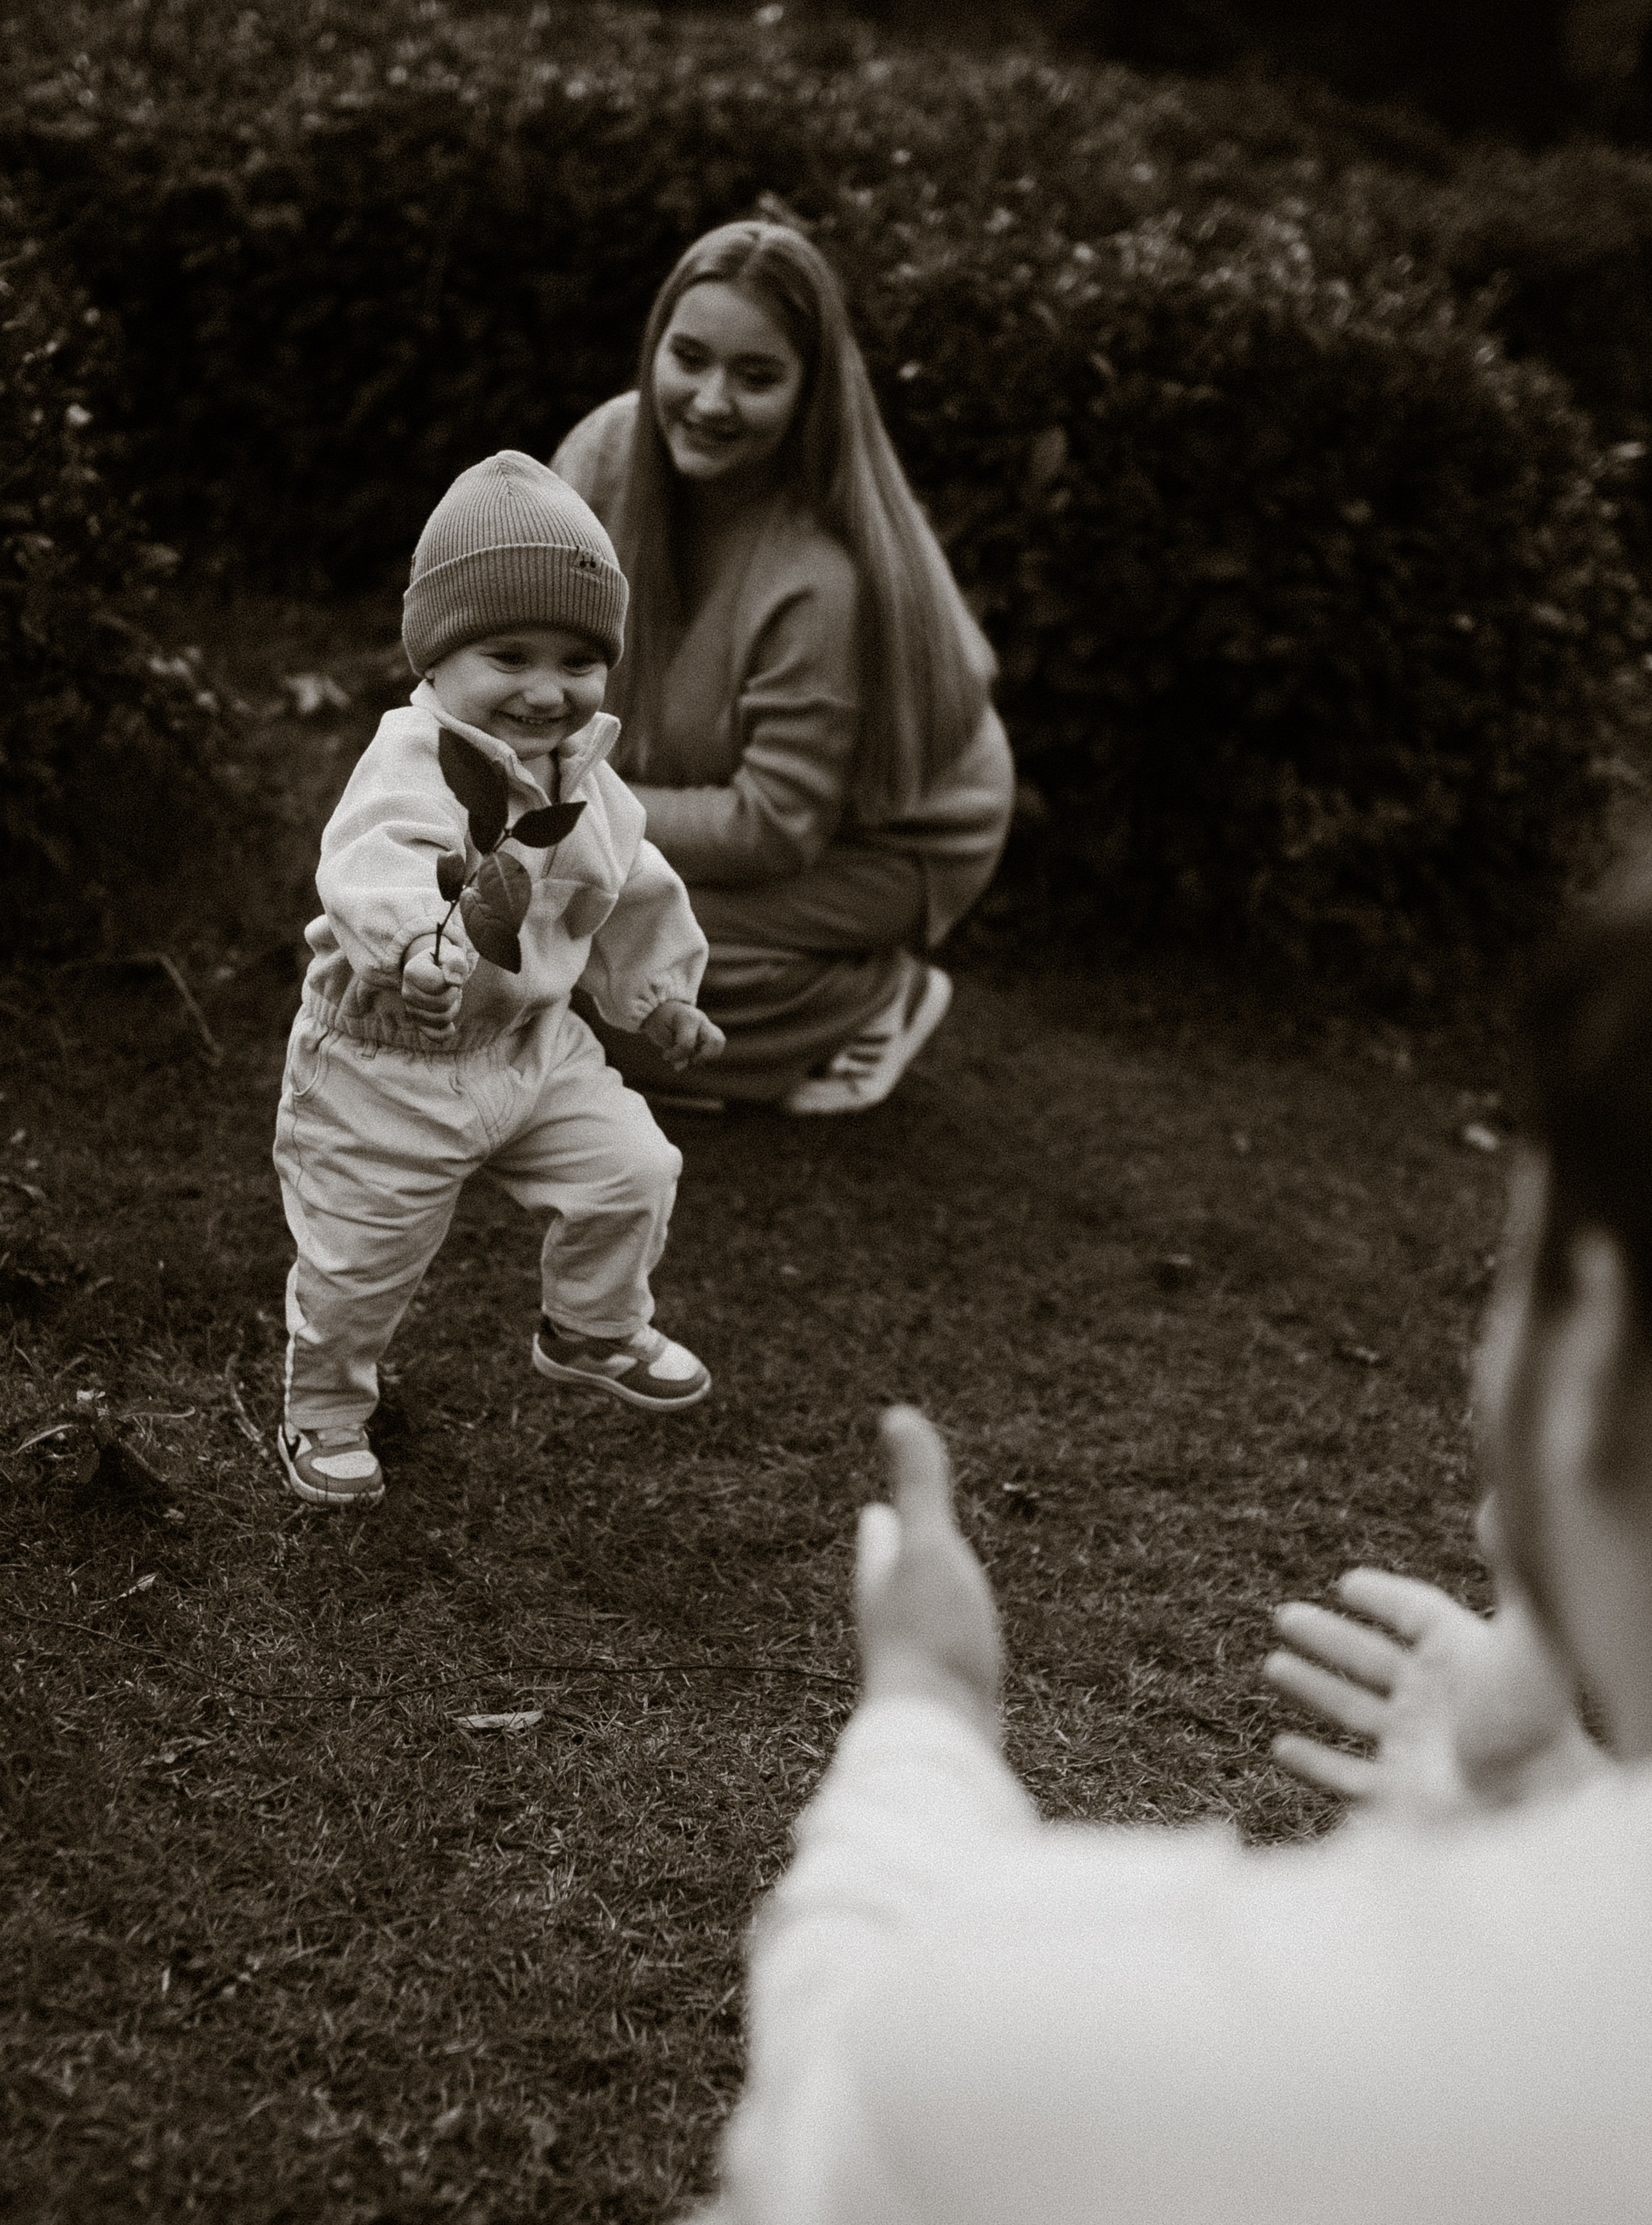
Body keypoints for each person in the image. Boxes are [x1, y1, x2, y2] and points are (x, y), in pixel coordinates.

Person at [703, 861, 1652, 2220]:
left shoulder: (1245, 2048)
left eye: (1510, 1271)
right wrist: (1556, 1804)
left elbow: (842, 2100)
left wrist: (924, 1713)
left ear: (1593, 1341)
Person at [272, 452, 724, 1508]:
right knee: (359, 1261)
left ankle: (591, 1326)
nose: (547, 689)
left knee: (634, 1168)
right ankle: (324, 1409)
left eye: (579, 660)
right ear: (435, 657)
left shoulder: (585, 779)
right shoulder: (414, 760)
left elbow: (632, 884)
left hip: (532, 1046)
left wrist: (662, 996)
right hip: (385, 1061)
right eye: (509, 654)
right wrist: (413, 947)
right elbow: (375, 857)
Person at [549, 219, 1015, 1114]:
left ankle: (872, 1000)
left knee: (587, 944)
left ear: (810, 394)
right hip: (711, 789)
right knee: (538, 924)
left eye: (757, 377)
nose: (710, 401)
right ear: (656, 346)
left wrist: (569, 808)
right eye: (689, 358)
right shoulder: (607, 451)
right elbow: (518, 619)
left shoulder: (820, 572)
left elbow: (772, 825)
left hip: (878, 839)